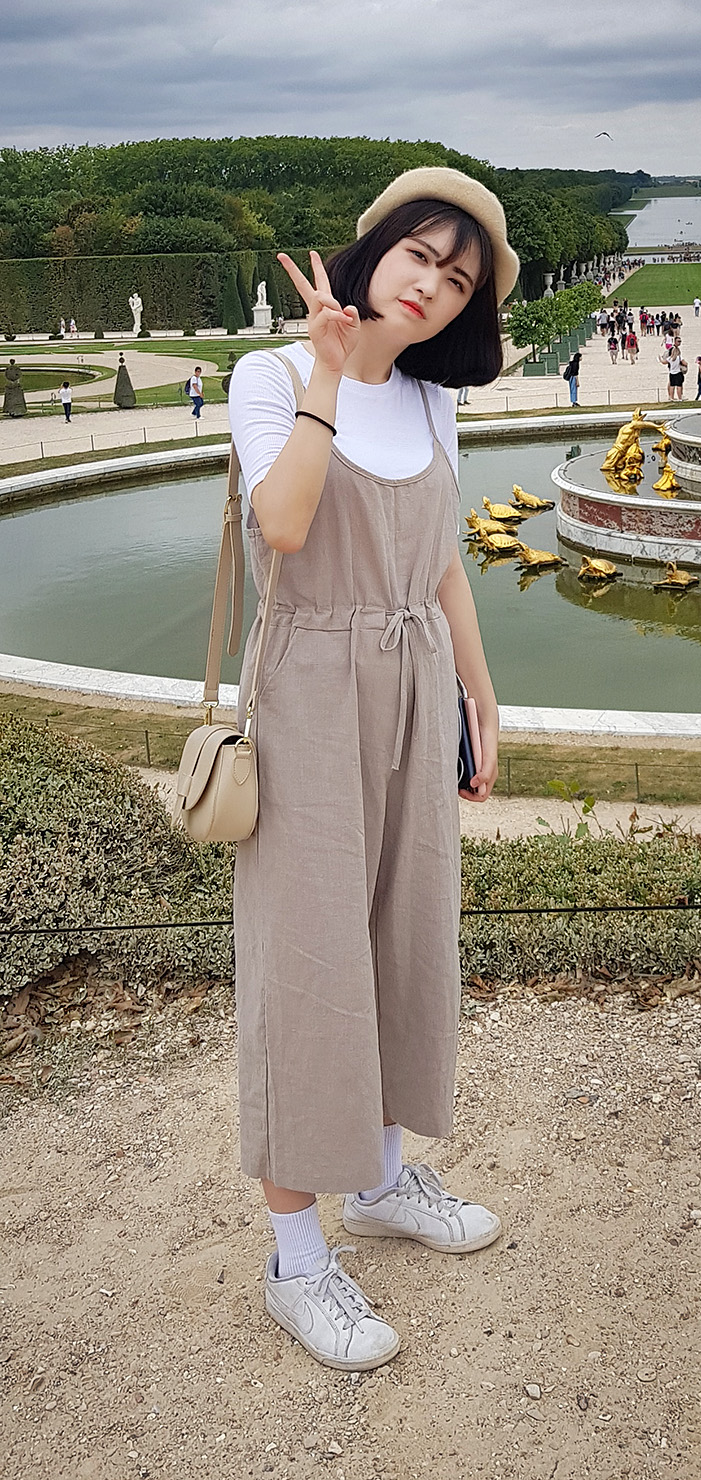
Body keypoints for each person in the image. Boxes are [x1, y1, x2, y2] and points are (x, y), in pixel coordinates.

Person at [226, 164, 511, 1371]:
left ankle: (383, 1182)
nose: (431, 285)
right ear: (375, 249)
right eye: (419, 255)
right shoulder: (272, 376)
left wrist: (480, 696)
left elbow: (440, 562)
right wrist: (327, 380)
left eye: (458, 278)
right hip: (309, 690)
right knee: (308, 960)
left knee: (405, 936)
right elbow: (284, 526)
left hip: (412, 681)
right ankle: (297, 1262)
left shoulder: (436, 404)